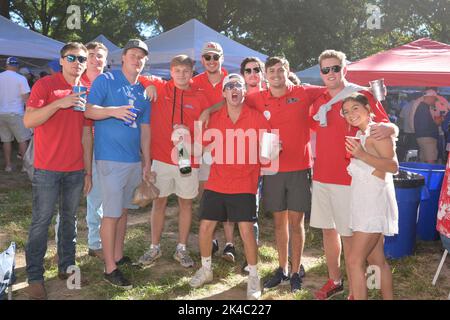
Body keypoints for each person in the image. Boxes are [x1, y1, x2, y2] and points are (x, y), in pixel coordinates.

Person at [309, 50, 396, 300]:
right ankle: (336, 281)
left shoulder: (361, 95)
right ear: (320, 72)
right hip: (322, 176)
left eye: (335, 68)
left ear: (344, 68)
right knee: (329, 231)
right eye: (325, 70)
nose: (330, 73)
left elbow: (385, 128)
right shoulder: (318, 99)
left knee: (355, 248)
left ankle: (359, 290)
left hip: (353, 184)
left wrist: (392, 127)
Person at [244, 57, 324, 293]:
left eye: (281, 70)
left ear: (288, 71)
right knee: (279, 222)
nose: (277, 74)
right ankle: (282, 269)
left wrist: (367, 92)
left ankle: (297, 269)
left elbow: (334, 88)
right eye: (272, 71)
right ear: (265, 75)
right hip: (273, 169)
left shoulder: (303, 92)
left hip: (299, 168)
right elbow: (231, 101)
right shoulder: (256, 98)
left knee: (296, 222)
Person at [189, 74, 272, 300]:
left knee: (245, 229)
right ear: (224, 93)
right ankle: (206, 269)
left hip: (245, 182)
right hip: (217, 181)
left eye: (239, 86)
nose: (234, 89)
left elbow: (270, 149)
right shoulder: (214, 118)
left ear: (244, 92)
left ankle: (254, 276)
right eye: (229, 86)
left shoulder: (256, 117)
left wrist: (273, 148)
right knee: (205, 227)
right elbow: (198, 146)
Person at [23, 42, 93, 300]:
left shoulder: (87, 89)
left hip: (75, 170)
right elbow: (29, 120)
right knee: (41, 221)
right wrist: (58, 103)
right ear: (61, 60)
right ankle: (34, 276)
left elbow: (87, 134)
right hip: (47, 169)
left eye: (82, 59)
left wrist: (88, 171)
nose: (77, 62)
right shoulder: (45, 85)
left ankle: (67, 267)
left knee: (69, 220)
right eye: (72, 57)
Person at [85, 39, 151, 289]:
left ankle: (119, 256)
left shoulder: (143, 90)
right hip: (110, 159)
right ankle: (109, 268)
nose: (137, 59)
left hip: (133, 160)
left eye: (141, 56)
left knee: (123, 211)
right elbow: (89, 111)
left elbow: (145, 129)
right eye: (132, 54)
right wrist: (114, 111)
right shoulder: (106, 80)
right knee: (111, 214)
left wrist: (147, 161)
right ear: (122, 58)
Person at [136, 55, 209, 268]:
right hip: (161, 157)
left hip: (186, 158)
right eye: (177, 70)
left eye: (186, 71)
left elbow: (204, 126)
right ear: (171, 71)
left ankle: (182, 248)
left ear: (192, 72)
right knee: (159, 201)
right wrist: (149, 84)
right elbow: (140, 76)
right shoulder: (161, 87)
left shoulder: (200, 96)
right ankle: (154, 247)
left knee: (185, 202)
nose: (181, 75)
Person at [342, 93, 398, 300]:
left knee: (354, 261)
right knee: (377, 260)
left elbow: (393, 167)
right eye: (346, 111)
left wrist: (362, 154)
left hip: (373, 206)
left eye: (355, 108)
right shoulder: (363, 135)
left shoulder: (376, 133)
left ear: (367, 108)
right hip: (363, 204)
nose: (350, 114)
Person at [192, 42, 237, 263]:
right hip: (203, 146)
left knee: (228, 194)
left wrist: (210, 109)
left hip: (227, 145)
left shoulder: (232, 79)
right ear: (202, 60)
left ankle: (230, 244)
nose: (211, 61)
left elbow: (237, 100)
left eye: (215, 57)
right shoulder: (194, 82)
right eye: (207, 57)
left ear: (222, 58)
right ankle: (210, 239)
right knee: (206, 194)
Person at [83, 41, 109, 260]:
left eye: (99, 56)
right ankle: (65, 246)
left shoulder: (109, 83)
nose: (95, 59)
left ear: (106, 60)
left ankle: (94, 243)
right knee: (70, 199)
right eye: (91, 55)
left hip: (102, 148)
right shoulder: (75, 82)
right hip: (76, 147)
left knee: (96, 197)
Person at [0, 56, 32, 172]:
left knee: (6, 140)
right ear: (17, 66)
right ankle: (25, 166)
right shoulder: (21, 78)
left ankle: (8, 165)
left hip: (1, 113)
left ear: (6, 65)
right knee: (22, 140)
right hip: (16, 113)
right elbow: (26, 98)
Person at [414, 89, 440, 164]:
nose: (434, 101)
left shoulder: (422, 106)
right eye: (434, 99)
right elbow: (425, 125)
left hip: (422, 136)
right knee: (430, 160)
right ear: (430, 97)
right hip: (428, 137)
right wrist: (437, 122)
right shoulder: (423, 108)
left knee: (424, 160)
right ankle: (430, 175)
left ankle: (423, 176)